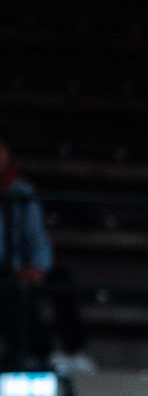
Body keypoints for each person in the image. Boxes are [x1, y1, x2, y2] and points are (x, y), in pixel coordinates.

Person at [0, 140, 92, 373]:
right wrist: (17, 268)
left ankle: (75, 350)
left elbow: (37, 237)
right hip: (5, 268)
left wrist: (39, 267)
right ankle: (44, 354)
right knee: (11, 287)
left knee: (60, 277)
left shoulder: (23, 192)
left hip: (24, 266)